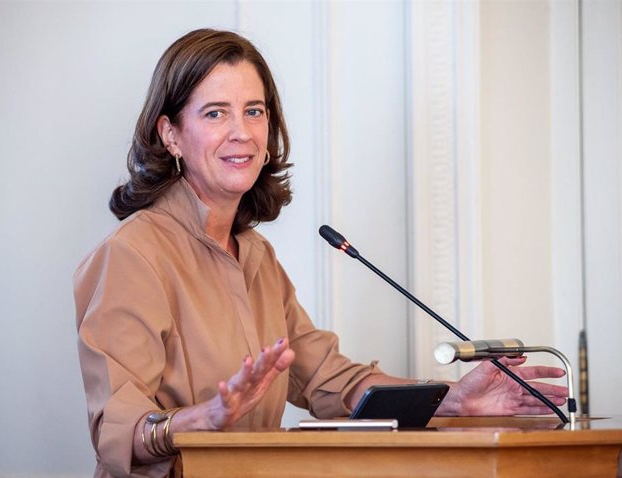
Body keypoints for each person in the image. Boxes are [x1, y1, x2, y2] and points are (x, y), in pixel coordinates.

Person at [74, 28, 568, 478]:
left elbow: (330, 380)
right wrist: (203, 419)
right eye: (215, 113)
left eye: (254, 110)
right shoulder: (132, 255)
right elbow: (116, 433)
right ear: (171, 134)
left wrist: (453, 400)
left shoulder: (257, 257)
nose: (242, 132)